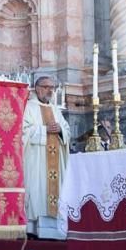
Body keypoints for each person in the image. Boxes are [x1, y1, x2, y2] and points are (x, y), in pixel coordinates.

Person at [21, 75, 71, 238]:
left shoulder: (56, 109)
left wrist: (61, 131)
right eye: (47, 87)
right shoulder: (28, 107)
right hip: (37, 159)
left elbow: (67, 130)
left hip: (55, 159)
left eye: (53, 87)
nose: (51, 90)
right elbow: (23, 132)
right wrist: (44, 130)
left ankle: (55, 230)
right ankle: (33, 229)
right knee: (37, 191)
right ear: (37, 88)